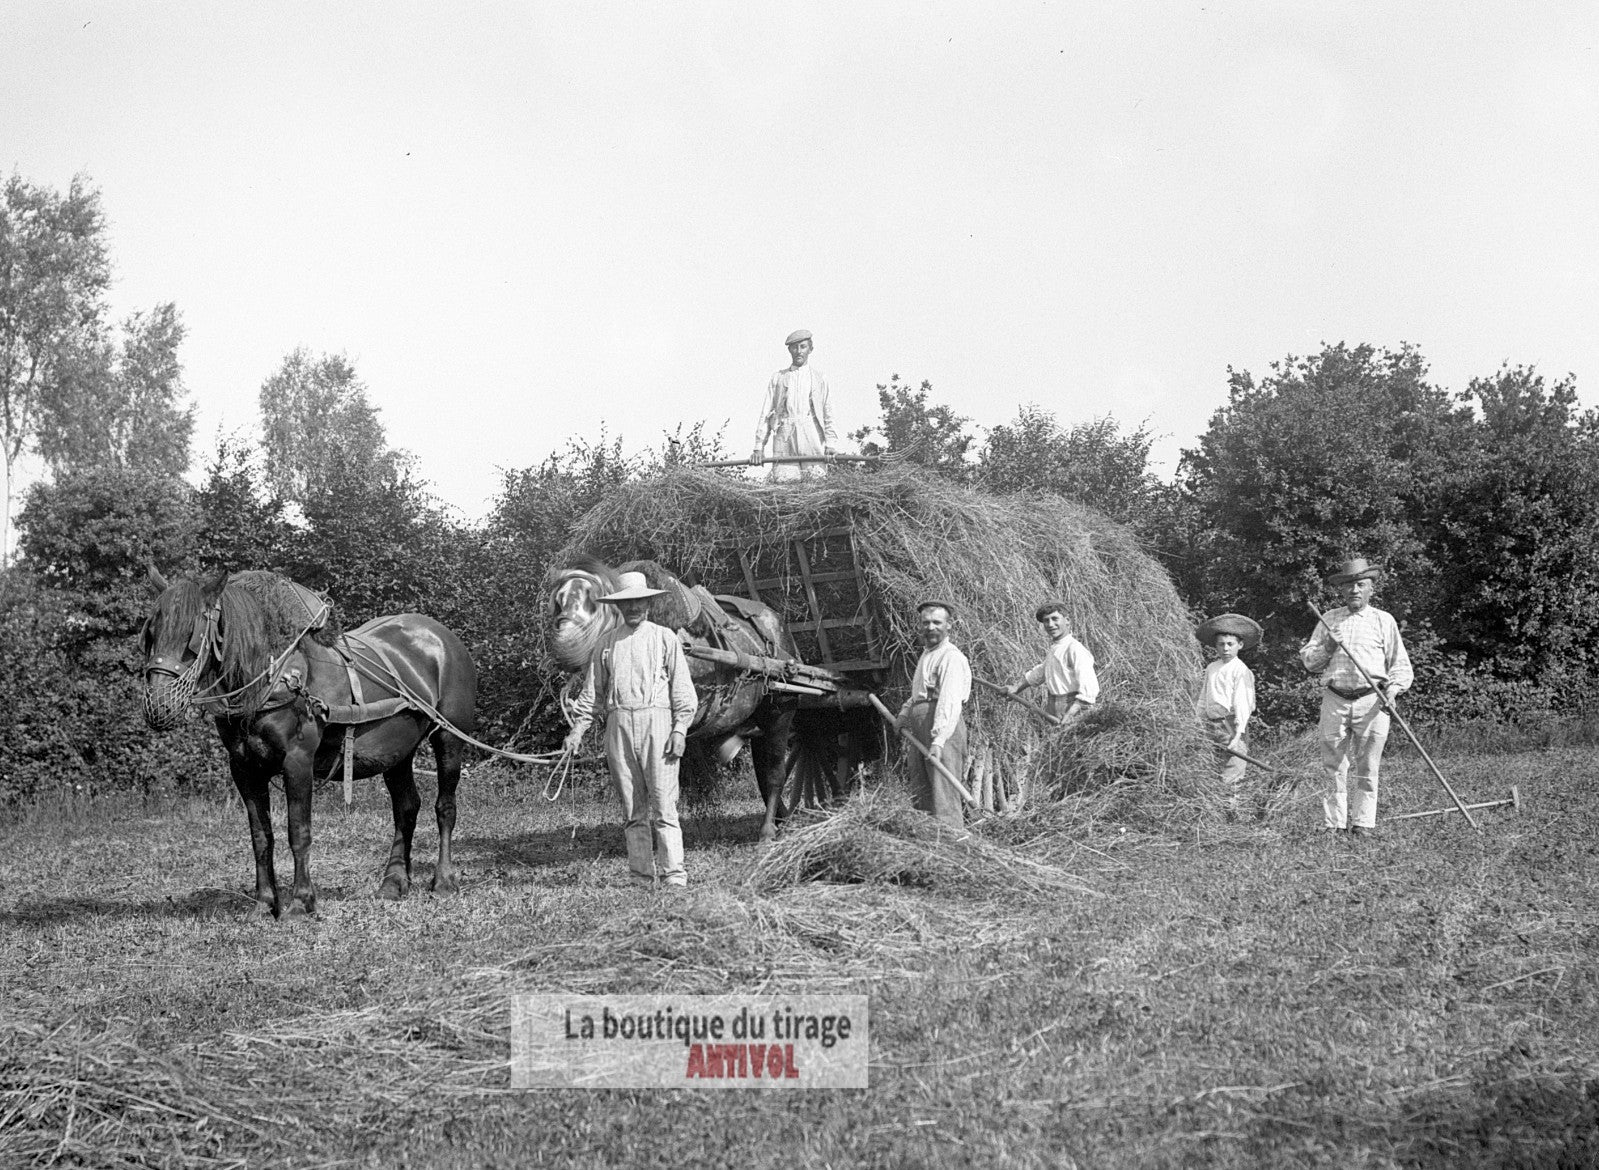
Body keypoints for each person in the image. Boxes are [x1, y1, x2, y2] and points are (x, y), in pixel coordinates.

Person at [564, 571, 699, 887]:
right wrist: (576, 732)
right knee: (633, 810)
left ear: (648, 603)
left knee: (665, 807)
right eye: (627, 603)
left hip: (659, 727)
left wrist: (679, 730)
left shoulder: (665, 638)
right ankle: (640, 876)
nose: (634, 608)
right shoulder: (607, 644)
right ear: (619, 607)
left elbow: (682, 690)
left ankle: (674, 877)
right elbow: (592, 695)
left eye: (639, 601)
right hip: (619, 726)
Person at [1299, 558, 1413, 838]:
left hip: (1372, 701)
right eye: (1349, 585)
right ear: (1342, 590)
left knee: (1367, 764)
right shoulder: (1329, 618)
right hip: (1335, 699)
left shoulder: (1382, 620)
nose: (1355, 590)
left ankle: (1363, 824)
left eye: (1361, 584)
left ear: (1371, 588)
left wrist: (1393, 690)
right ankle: (1334, 824)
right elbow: (1309, 663)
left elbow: (1400, 664)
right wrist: (1328, 644)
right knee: (1333, 765)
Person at [895, 601, 972, 831]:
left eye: (937, 622)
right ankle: (928, 842)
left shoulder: (951, 657)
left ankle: (952, 842)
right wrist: (903, 715)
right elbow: (918, 695)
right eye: (926, 623)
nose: (931, 628)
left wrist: (939, 740)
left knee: (943, 790)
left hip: (941, 727)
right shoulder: (927, 655)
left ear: (949, 626)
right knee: (922, 788)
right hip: (921, 725)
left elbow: (949, 700)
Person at [1193, 613, 1261, 819]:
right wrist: (1197, 721)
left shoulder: (1241, 671)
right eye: (1221, 644)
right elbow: (1204, 698)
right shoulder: (1212, 668)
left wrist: (1238, 736)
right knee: (1211, 767)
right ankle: (1211, 812)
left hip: (1231, 724)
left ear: (1240, 645)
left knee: (1233, 769)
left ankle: (1230, 813)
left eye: (1230, 644)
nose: (1225, 649)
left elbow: (1243, 705)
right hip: (1211, 724)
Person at [751, 328, 838, 481]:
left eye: (803, 347)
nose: (799, 351)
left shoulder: (819, 378)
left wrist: (830, 444)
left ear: (810, 349)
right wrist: (759, 447)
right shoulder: (778, 378)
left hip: (811, 433)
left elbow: (827, 413)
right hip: (784, 433)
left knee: (815, 481)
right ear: (789, 350)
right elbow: (765, 413)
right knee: (785, 481)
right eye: (794, 347)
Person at [1007, 602, 1099, 725]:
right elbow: (1041, 672)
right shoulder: (1056, 648)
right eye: (1046, 620)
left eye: (1055, 619)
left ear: (1067, 620)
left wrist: (1071, 713)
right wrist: (1016, 687)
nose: (1050, 624)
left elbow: (1089, 686)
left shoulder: (1074, 648)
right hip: (1054, 706)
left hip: (1074, 709)